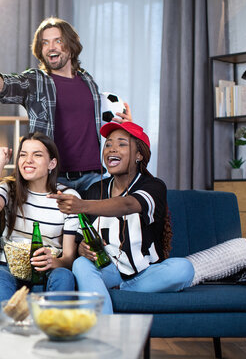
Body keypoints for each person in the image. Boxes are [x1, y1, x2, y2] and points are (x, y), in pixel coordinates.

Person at [0, 16, 132, 191]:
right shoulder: (36, 80)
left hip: (93, 177)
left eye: (58, 41)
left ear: (71, 46)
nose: (51, 47)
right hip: (53, 178)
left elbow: (96, 123)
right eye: (45, 43)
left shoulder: (88, 81)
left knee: (101, 218)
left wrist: (125, 125)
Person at [48, 122, 194, 314]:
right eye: (108, 144)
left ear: (139, 155)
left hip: (146, 275)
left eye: (122, 144)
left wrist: (80, 205)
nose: (112, 149)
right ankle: (107, 327)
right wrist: (82, 248)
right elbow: (80, 239)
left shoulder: (154, 186)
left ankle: (117, 292)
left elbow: (128, 204)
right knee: (80, 264)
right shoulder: (95, 189)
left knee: (184, 268)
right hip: (107, 270)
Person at [0, 132, 77, 312]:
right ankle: (11, 333)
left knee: (64, 276)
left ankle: (53, 333)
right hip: (8, 266)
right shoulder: (9, 189)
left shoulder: (68, 197)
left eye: (37, 155)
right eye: (23, 155)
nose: (28, 160)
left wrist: (53, 262)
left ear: (52, 164)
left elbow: (69, 258)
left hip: (48, 268)